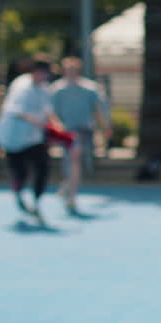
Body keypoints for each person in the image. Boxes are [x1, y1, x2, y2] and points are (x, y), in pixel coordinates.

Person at [0, 56, 66, 223]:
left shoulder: (45, 88)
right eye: (42, 73)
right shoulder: (21, 87)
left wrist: (57, 125)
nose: (44, 77)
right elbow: (18, 111)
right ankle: (18, 193)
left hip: (33, 137)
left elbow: (48, 111)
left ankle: (37, 202)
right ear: (34, 72)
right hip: (13, 137)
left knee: (43, 166)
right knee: (20, 172)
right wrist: (42, 124)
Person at [49, 56, 111, 214]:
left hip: (84, 129)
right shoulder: (57, 89)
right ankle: (71, 196)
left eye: (73, 70)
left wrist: (106, 127)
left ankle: (68, 185)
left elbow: (101, 108)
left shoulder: (90, 88)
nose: (70, 73)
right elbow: (51, 111)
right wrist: (56, 127)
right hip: (67, 131)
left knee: (73, 160)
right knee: (73, 160)